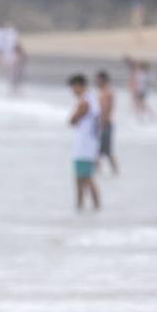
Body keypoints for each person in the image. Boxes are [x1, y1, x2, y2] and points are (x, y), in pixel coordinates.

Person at [68, 74, 101, 211]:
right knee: (83, 179)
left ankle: (90, 206)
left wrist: (74, 115)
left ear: (79, 86)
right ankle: (83, 208)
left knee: (85, 180)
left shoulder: (84, 102)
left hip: (84, 147)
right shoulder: (92, 99)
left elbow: (72, 120)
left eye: (73, 88)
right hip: (89, 145)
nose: (72, 91)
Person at [95, 70, 118, 175]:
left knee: (104, 151)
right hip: (105, 124)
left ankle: (113, 171)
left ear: (102, 80)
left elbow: (105, 110)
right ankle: (98, 171)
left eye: (97, 79)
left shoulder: (106, 92)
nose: (95, 81)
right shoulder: (106, 91)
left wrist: (101, 124)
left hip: (105, 124)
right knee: (100, 151)